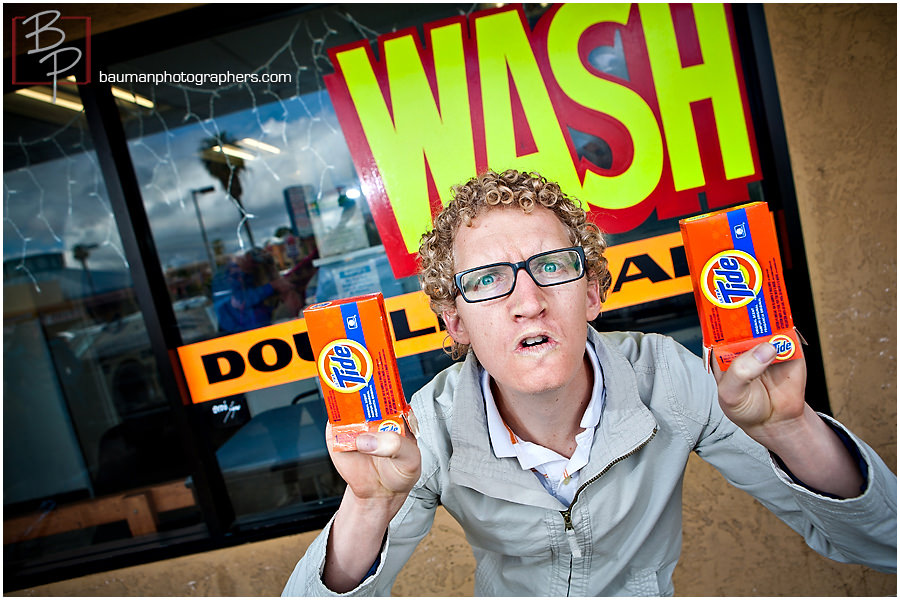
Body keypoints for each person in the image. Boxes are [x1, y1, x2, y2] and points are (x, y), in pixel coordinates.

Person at [283, 169, 896, 596]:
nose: (528, 300)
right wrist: (366, 507)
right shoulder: (426, 428)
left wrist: (791, 428)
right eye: (489, 279)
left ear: (594, 291)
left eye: (551, 266)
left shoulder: (672, 377)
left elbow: (881, 544)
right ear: (456, 323)